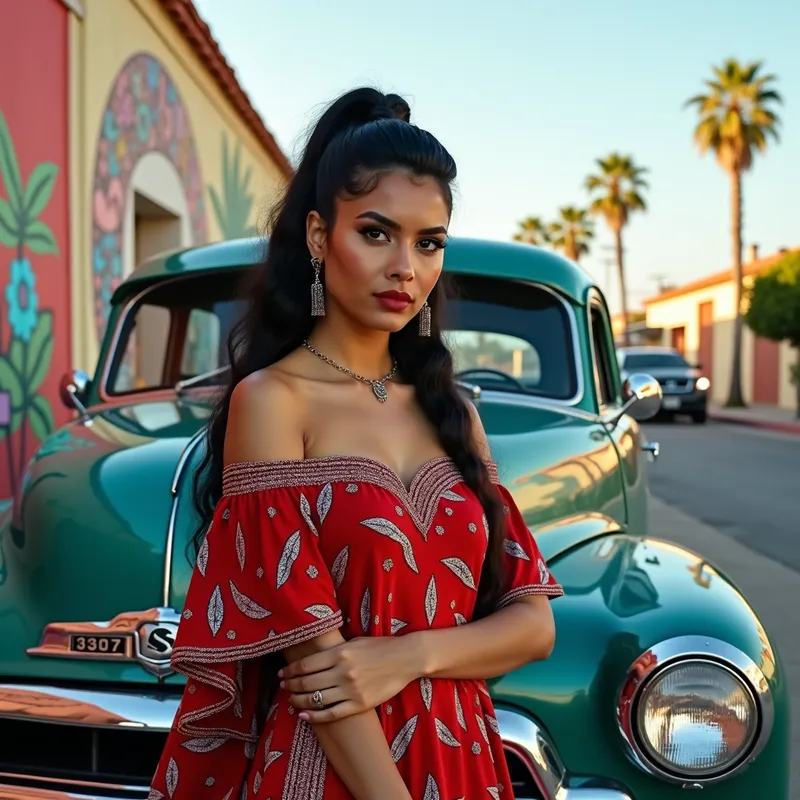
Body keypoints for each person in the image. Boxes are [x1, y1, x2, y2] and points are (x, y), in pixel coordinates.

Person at [149, 87, 563, 800]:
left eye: (428, 243)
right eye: (376, 233)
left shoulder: (454, 414)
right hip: (333, 771)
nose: (406, 267)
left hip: (464, 761)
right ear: (319, 237)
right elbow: (315, 663)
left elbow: (534, 625)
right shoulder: (273, 401)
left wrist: (410, 655)